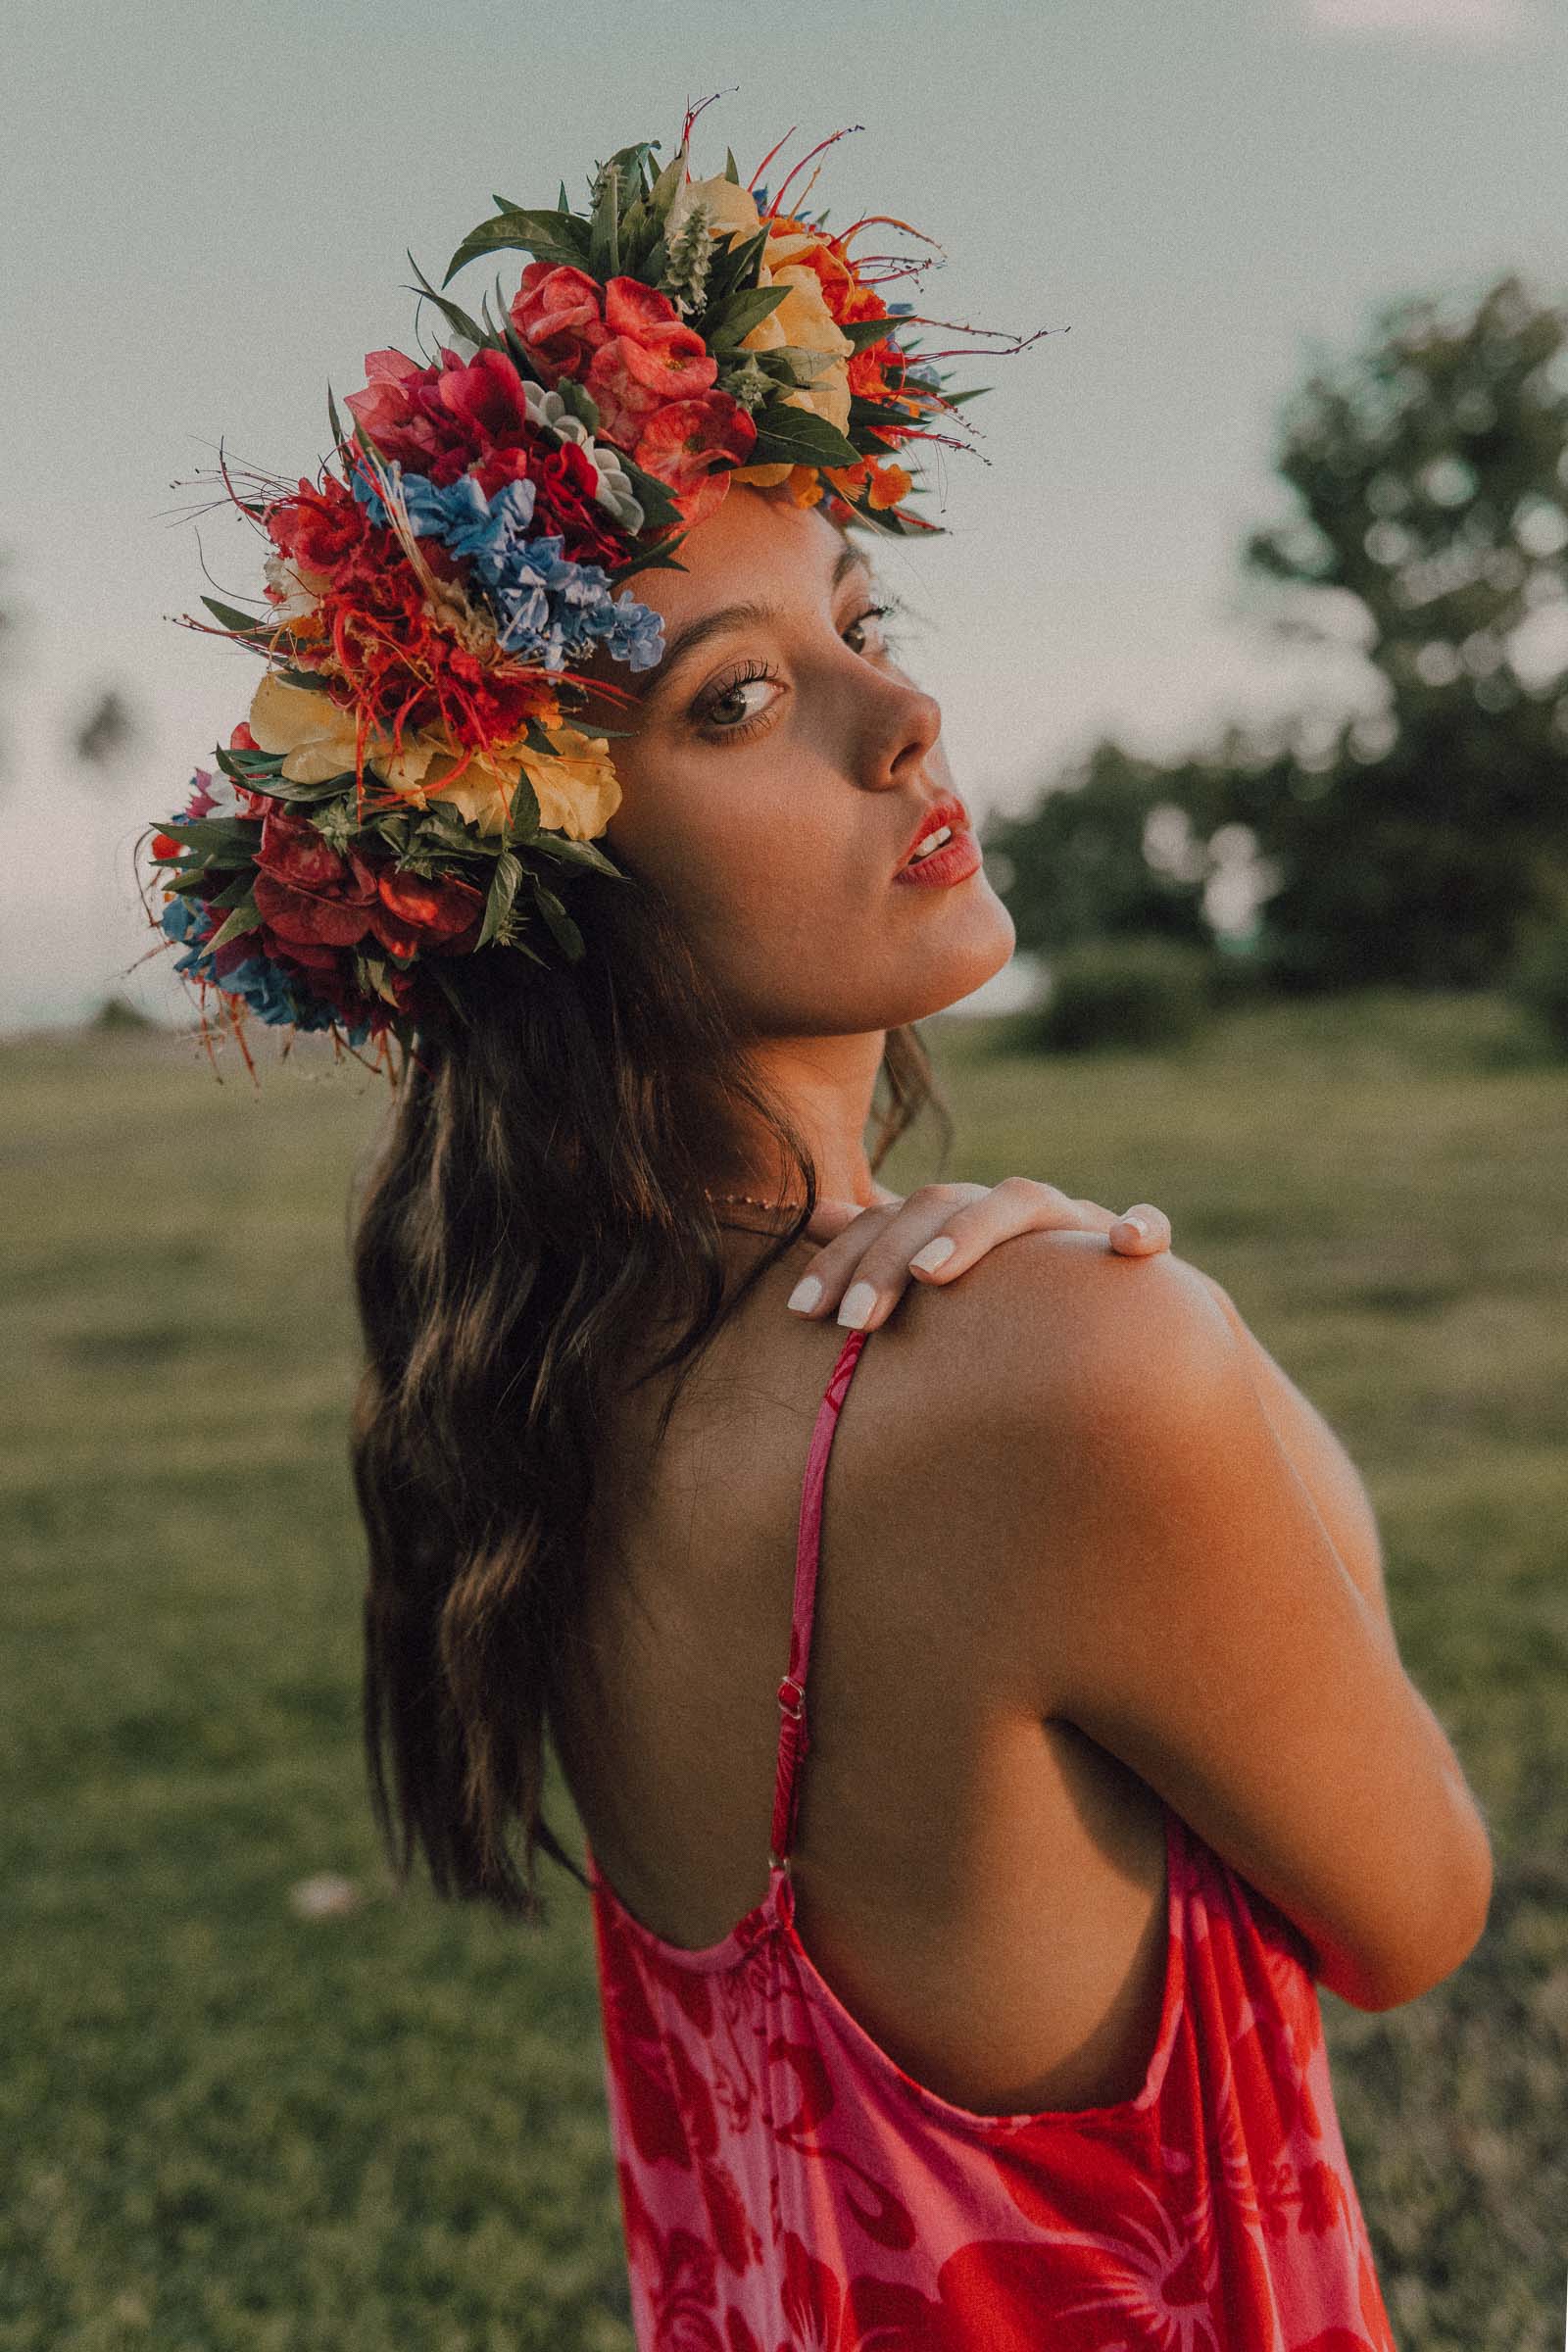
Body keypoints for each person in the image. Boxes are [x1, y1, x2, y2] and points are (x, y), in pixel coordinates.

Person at [143, 113, 1491, 2348]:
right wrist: (1184, 1322)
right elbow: (1411, 1911)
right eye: (739, 701)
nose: (905, 716)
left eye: (857, 625)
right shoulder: (1061, 1372)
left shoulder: (555, 1402)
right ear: (549, 896)